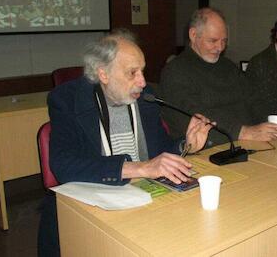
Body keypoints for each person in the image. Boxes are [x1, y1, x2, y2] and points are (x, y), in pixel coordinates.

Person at [38, 29, 212, 256]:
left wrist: (186, 145)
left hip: (144, 201)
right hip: (91, 206)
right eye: (132, 73)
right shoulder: (67, 99)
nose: (142, 81)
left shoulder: (145, 97)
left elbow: (159, 153)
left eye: (142, 71)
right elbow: (64, 165)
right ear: (103, 74)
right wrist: (139, 168)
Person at [159, 7, 277, 147]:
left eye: (224, 41)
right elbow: (195, 116)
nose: (220, 48)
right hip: (209, 150)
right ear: (193, 34)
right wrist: (243, 132)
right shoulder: (175, 72)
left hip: (248, 145)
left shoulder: (228, 66)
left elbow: (254, 98)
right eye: (213, 41)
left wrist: (275, 120)